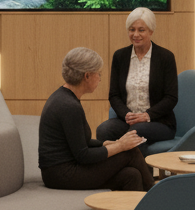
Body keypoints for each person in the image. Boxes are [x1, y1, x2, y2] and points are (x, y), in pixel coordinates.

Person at [39, 47, 155, 192]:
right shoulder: (68, 106)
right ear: (87, 76)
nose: (100, 79)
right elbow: (83, 155)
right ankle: (156, 196)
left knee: (132, 175)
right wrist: (120, 146)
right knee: (129, 152)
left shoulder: (65, 97)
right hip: (61, 174)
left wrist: (110, 143)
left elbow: (81, 142)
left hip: (63, 169)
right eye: (98, 74)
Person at [96, 7, 178, 147]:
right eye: (132, 29)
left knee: (137, 131)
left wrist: (147, 115)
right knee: (103, 130)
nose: (136, 34)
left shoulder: (166, 57)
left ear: (151, 31)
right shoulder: (120, 56)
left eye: (141, 30)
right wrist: (127, 114)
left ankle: (140, 169)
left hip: (159, 122)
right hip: (127, 120)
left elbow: (171, 98)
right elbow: (114, 95)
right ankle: (113, 169)